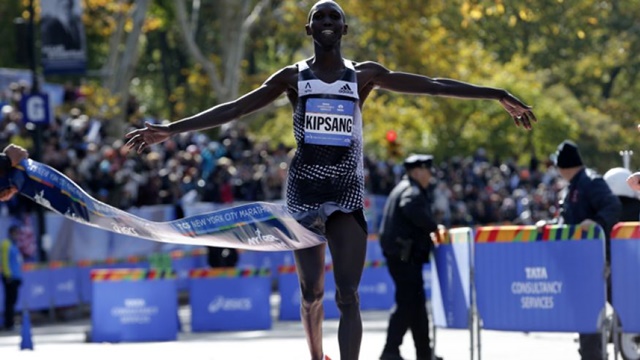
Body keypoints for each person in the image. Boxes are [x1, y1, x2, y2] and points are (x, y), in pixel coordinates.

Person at [124, 1, 536, 359]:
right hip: (303, 194)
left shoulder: (363, 75)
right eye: (318, 17)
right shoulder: (292, 77)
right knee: (311, 295)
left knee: (348, 294)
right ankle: (314, 354)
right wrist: (171, 129)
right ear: (309, 30)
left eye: (333, 17)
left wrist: (495, 92)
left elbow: (432, 85)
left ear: (343, 29)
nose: (325, 22)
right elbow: (236, 107)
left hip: (346, 193)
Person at [540, 140, 621, 360]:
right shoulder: (573, 187)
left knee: (625, 310)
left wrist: (596, 222)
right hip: (581, 263)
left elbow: (612, 207)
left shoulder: (590, 182)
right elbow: (568, 221)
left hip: (597, 262)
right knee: (587, 322)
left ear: (563, 165)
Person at [378, 154, 442, 360]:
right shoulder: (411, 191)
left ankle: (424, 352)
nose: (430, 174)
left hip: (404, 256)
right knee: (407, 302)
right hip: (405, 257)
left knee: (416, 304)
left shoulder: (403, 187)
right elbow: (411, 207)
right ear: (417, 172)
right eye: (427, 170)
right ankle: (390, 351)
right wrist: (434, 227)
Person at [1, 225, 24, 331]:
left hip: (15, 276)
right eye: (15, 233)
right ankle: (9, 323)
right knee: (9, 301)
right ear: (11, 233)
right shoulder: (6, 244)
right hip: (9, 277)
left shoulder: (14, 245)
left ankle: (11, 321)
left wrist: (19, 276)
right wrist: (8, 276)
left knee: (13, 301)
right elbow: (4, 261)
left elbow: (16, 262)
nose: (17, 235)